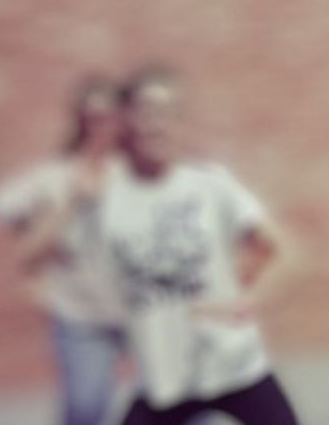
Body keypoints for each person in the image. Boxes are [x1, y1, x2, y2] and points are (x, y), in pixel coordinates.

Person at [103, 66, 302, 425]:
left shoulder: (210, 184)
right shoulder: (108, 199)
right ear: (127, 121)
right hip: (164, 376)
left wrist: (250, 300)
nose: (156, 125)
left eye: (166, 113)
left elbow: (281, 248)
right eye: (146, 112)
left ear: (179, 122)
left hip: (233, 362)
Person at [0, 74, 127, 425]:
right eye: (91, 117)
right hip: (82, 315)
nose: (102, 126)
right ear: (79, 120)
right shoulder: (55, 176)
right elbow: (3, 211)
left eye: (110, 115)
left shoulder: (140, 170)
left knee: (188, 402)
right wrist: (70, 204)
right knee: (85, 408)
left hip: (143, 309)